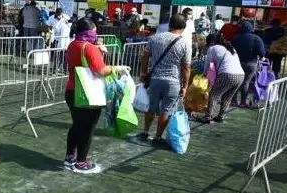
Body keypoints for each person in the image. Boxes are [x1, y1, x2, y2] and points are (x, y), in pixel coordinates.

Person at [64, 19, 128, 173]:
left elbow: (84, 62)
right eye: (94, 30)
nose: (96, 34)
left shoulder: (73, 45)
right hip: (88, 94)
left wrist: (97, 50)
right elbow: (100, 70)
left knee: (77, 125)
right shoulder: (90, 48)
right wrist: (117, 68)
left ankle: (69, 157)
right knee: (87, 128)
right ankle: (81, 162)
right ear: (89, 32)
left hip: (72, 91)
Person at [139, 13, 192, 146]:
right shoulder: (184, 44)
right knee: (166, 110)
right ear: (184, 27)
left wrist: (143, 73)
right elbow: (186, 68)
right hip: (173, 81)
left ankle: (145, 132)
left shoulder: (154, 38)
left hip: (155, 79)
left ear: (169, 25)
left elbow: (145, 57)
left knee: (151, 107)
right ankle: (157, 137)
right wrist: (185, 86)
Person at [199, 34, 244, 123]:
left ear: (211, 42)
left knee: (213, 95)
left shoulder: (213, 48)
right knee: (227, 97)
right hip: (240, 75)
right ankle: (221, 116)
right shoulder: (230, 48)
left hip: (227, 74)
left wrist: (204, 75)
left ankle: (208, 116)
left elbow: (208, 64)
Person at [231, 19, 266, 108]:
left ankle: (234, 101)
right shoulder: (257, 39)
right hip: (251, 64)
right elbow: (262, 53)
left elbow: (231, 50)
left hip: (237, 63)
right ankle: (243, 102)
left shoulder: (236, 38)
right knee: (246, 82)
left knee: (236, 81)